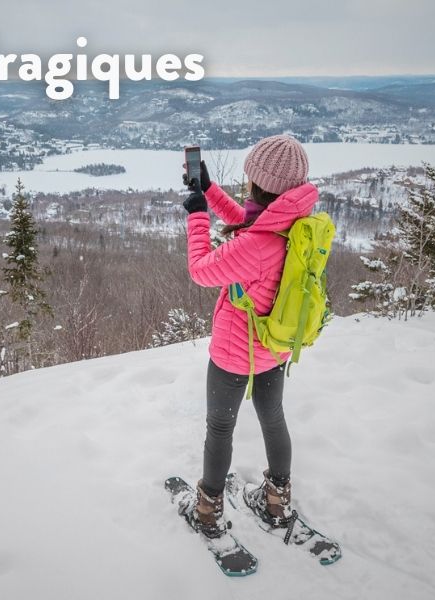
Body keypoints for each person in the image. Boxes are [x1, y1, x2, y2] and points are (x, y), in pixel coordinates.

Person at [181, 134, 319, 538]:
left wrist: (196, 215)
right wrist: (208, 189)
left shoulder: (258, 246)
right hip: (274, 346)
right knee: (272, 418)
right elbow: (246, 220)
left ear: (260, 182)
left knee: (220, 429)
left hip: (234, 353)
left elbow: (201, 269)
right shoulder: (292, 223)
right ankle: (276, 500)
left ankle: (207, 510)